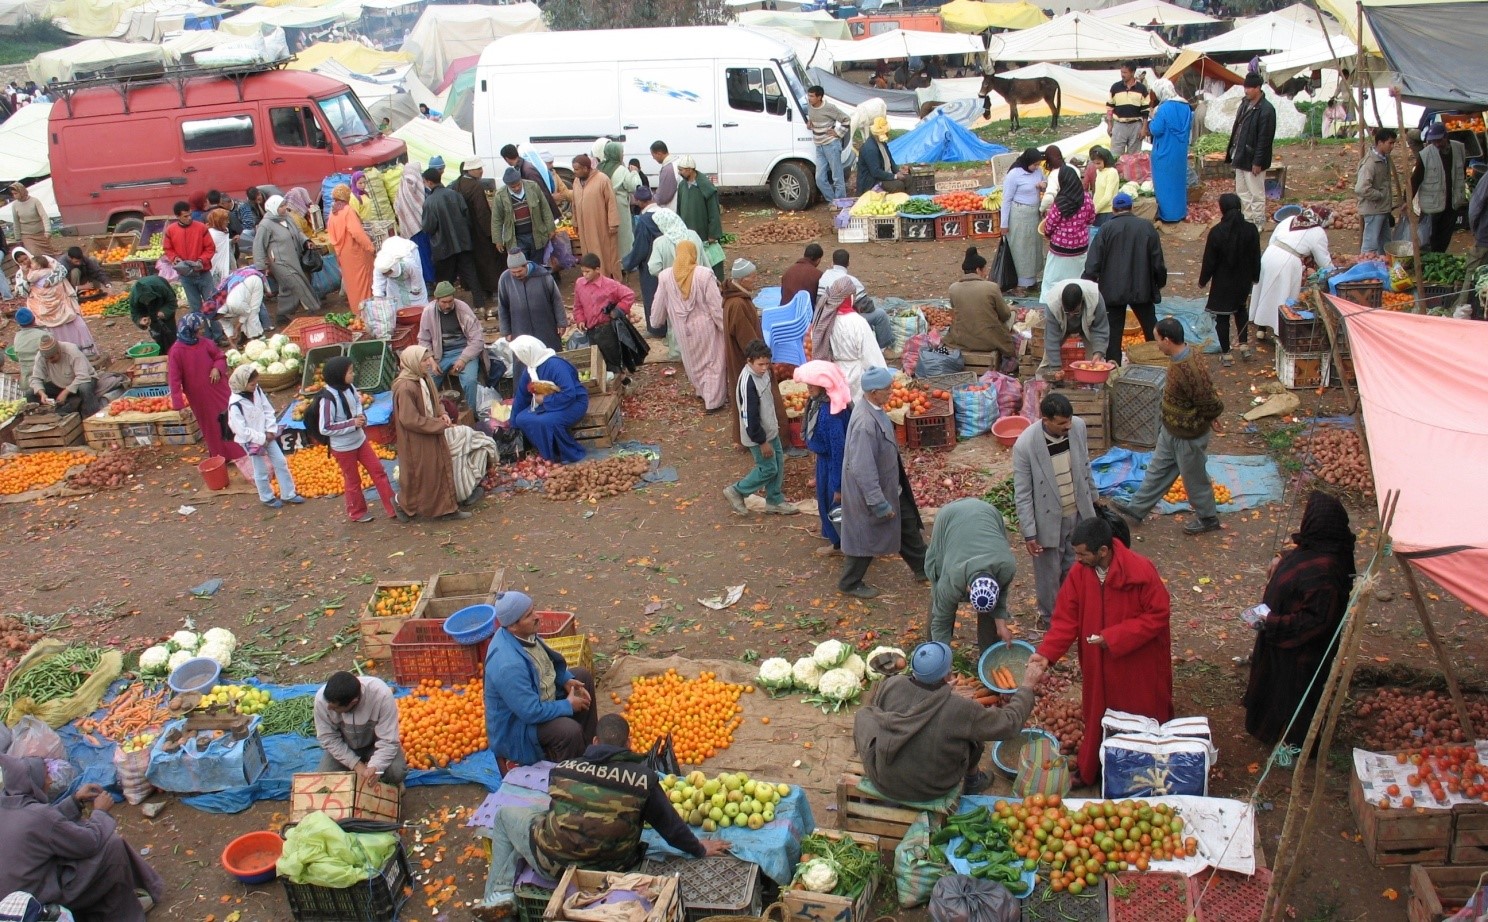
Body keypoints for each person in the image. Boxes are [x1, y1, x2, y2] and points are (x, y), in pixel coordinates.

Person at [476, 716, 729, 921]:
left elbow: (557, 809)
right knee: (540, 818)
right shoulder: (643, 779)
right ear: (628, 743)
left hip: (553, 863)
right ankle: (500, 897)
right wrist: (698, 848)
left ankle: (498, 895)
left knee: (506, 818)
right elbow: (671, 828)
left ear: (595, 741)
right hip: (612, 871)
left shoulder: (563, 770)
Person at [1028, 517, 1173, 786]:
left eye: (1083, 554)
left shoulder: (1141, 571)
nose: (1077, 559)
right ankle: (1092, 769)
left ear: (1103, 551)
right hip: (1097, 661)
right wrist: (1046, 653)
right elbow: (1065, 619)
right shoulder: (1080, 574)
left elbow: (1158, 615)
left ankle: (1146, 773)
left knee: (1139, 713)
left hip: (1137, 663)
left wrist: (1114, 637)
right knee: (1098, 712)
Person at [853, 641, 1043, 802]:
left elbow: (905, 704)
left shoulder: (892, 684)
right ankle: (973, 780)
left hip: (883, 779)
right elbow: (1010, 724)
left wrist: (942, 693)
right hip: (930, 788)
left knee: (869, 716)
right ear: (947, 675)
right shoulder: (961, 709)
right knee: (972, 737)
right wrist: (1027, 686)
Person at [1242, 491, 1356, 747]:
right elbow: (1300, 552)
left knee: (1292, 697)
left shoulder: (1325, 574)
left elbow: (1314, 622)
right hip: (1280, 643)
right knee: (1272, 687)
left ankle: (1293, 744)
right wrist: (1281, 558)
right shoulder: (1318, 548)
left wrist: (1271, 621)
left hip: (1301, 654)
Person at [0, 753, 164, 922]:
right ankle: (120, 914)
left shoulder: (6, 806)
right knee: (112, 847)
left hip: (11, 904)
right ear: (32, 783)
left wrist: (75, 800)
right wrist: (100, 812)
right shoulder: (38, 816)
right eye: (46, 775)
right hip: (38, 902)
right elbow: (88, 842)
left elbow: (47, 824)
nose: (50, 781)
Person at [1109, 318, 1225, 536]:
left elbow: (1208, 399)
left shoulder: (1189, 367)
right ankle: (1137, 508)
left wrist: (1212, 416)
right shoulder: (1177, 356)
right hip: (1171, 429)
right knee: (1157, 470)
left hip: (1188, 434)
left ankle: (1208, 517)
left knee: (1194, 478)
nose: (1157, 345)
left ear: (1168, 340)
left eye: (1158, 340)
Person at [1013, 393, 1099, 634]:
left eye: (1069, 420)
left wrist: (1093, 498)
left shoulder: (1078, 428)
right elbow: (1022, 493)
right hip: (1048, 519)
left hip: (1078, 512)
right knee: (1048, 573)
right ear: (1045, 419)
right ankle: (1050, 617)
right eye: (1061, 423)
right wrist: (1030, 533)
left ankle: (1072, 609)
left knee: (1075, 567)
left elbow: (1085, 465)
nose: (1067, 426)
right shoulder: (1026, 445)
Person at [839, 365, 927, 599]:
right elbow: (863, 468)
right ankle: (850, 582)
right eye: (887, 389)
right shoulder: (865, 424)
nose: (892, 392)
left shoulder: (874, 409)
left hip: (890, 486)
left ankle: (924, 568)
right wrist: (878, 502)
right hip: (871, 492)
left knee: (906, 525)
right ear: (874, 392)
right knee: (865, 539)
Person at [483, 591, 598, 765]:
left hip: (538, 696)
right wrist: (567, 705)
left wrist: (565, 679)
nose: (537, 616)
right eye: (529, 615)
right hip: (518, 727)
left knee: (582, 678)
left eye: (533, 609)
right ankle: (570, 772)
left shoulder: (524, 633)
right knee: (569, 731)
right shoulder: (508, 666)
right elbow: (531, 712)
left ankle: (588, 751)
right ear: (513, 625)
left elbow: (546, 664)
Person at [925, 498, 1019, 651]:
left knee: (989, 611)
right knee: (939, 593)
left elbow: (1000, 594)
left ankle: (988, 650)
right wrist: (944, 663)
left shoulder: (1006, 566)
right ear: (968, 588)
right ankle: (932, 650)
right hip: (950, 516)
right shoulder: (952, 579)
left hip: (987, 512)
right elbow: (941, 621)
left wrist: (1001, 626)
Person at [1082, 192, 1167, 361]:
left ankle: (1114, 368)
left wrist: (1088, 282)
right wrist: (1159, 283)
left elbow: (1093, 264)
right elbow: (1158, 261)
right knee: (1151, 328)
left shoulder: (1106, 229)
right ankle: (1157, 362)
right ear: (1132, 208)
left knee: (1113, 334)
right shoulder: (1147, 227)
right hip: (1142, 289)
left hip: (1112, 291)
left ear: (1113, 210)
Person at [312, 356, 394, 522]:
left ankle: (393, 507)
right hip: (343, 448)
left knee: (378, 471)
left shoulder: (349, 388)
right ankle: (357, 512)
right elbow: (325, 427)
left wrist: (360, 415)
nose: (353, 374)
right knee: (353, 480)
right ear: (339, 375)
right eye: (350, 372)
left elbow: (356, 403)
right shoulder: (328, 399)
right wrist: (352, 423)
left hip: (360, 441)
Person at [723, 339, 797, 517]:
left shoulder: (763, 374)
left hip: (771, 431)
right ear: (749, 361)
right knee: (768, 468)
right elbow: (750, 416)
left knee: (777, 464)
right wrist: (761, 441)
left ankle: (774, 500)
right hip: (758, 436)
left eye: (767, 363)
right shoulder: (747, 382)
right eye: (760, 364)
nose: (764, 368)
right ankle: (737, 491)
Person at [391, 346, 465, 520]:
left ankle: (445, 508)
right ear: (413, 362)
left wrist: (442, 413)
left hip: (430, 431)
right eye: (424, 360)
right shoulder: (406, 387)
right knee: (424, 474)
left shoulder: (423, 379)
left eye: (428, 359)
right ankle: (407, 505)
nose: (428, 363)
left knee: (438, 469)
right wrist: (437, 424)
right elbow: (409, 419)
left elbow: (434, 399)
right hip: (417, 438)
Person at [168, 314, 247, 476]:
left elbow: (220, 357)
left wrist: (217, 368)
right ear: (189, 331)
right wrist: (179, 406)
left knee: (230, 419)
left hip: (219, 390)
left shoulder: (206, 343)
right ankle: (221, 456)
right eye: (199, 330)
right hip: (199, 397)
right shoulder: (176, 352)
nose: (202, 332)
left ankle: (240, 451)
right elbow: (174, 380)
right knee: (211, 426)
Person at [651, 241, 727, 412]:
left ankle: (702, 391)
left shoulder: (665, 277)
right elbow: (715, 306)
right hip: (706, 329)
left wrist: (656, 322)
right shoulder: (704, 275)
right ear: (694, 254)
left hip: (682, 329)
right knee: (713, 362)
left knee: (693, 363)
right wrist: (725, 327)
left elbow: (658, 306)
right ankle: (713, 402)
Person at [722, 259, 782, 448]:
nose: (755, 280)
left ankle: (744, 439)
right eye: (752, 277)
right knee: (755, 401)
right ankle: (759, 440)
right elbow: (747, 339)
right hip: (746, 361)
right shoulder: (738, 304)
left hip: (745, 360)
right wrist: (762, 361)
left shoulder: (736, 300)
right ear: (742, 279)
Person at [794, 360, 852, 556]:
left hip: (832, 464)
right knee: (826, 501)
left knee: (834, 503)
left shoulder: (830, 414)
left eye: (812, 384)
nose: (808, 388)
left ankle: (842, 545)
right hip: (824, 461)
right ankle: (839, 542)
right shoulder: (819, 403)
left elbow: (839, 451)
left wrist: (838, 486)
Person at [1249, 207, 1334, 338]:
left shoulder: (1289, 219)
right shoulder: (1318, 232)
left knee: (1265, 289)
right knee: (1283, 295)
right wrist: (1334, 272)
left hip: (1270, 253)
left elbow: (1272, 239)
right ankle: (1279, 330)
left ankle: (1261, 327)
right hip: (1288, 261)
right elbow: (1323, 260)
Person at [1199, 192, 1262, 365]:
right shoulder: (1251, 230)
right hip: (1243, 281)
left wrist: (1203, 280)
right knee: (1241, 310)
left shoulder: (1216, 232)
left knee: (1222, 317)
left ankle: (1226, 353)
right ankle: (1244, 346)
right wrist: (1255, 277)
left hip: (1222, 282)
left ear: (1222, 209)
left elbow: (1209, 261)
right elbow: (1256, 256)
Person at [227, 365, 301, 508]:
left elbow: (267, 410)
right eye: (252, 384)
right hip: (251, 441)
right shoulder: (235, 404)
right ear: (243, 383)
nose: (255, 386)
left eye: (256, 383)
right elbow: (241, 430)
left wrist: (270, 429)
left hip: (267, 434)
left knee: (281, 462)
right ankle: (266, 497)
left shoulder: (257, 390)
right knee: (260, 470)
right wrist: (261, 437)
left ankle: (288, 494)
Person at [509, 334, 589, 465]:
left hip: (574, 403)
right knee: (521, 418)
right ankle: (545, 451)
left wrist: (545, 401)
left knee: (548, 421)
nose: (517, 359)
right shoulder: (530, 370)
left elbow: (569, 394)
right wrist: (512, 424)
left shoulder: (556, 366)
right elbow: (521, 397)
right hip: (550, 404)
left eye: (518, 355)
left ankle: (564, 453)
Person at [314, 672, 406, 784]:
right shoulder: (322, 700)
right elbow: (328, 738)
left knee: (396, 771)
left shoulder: (381, 695)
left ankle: (392, 788)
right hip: (345, 745)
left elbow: (388, 740)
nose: (329, 708)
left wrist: (375, 767)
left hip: (374, 744)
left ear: (353, 702)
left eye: (334, 708)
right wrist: (355, 764)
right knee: (325, 779)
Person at [812, 277, 885, 400]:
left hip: (834, 375)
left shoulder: (824, 320)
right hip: (855, 375)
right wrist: (882, 377)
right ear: (850, 297)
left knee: (839, 407)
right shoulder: (858, 322)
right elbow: (870, 354)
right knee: (856, 408)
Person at [418, 281, 485, 412]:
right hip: (440, 354)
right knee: (427, 380)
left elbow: (477, 339)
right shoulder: (428, 312)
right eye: (444, 302)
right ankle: (431, 412)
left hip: (464, 351)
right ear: (436, 300)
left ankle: (473, 414)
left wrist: (463, 359)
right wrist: (430, 359)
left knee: (470, 380)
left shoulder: (463, 309)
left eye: (450, 301)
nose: (448, 305)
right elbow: (423, 339)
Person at [573, 251, 641, 381]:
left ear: (597, 269)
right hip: (591, 329)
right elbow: (578, 305)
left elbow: (629, 295)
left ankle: (622, 381)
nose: (585, 275)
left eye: (588, 272)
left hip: (607, 328)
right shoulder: (580, 284)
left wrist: (618, 310)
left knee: (614, 358)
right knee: (598, 359)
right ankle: (606, 383)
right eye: (583, 272)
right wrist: (580, 319)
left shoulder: (610, 285)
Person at [421, 168, 483, 308]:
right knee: (471, 275)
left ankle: (446, 307)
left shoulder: (429, 202)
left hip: (443, 247)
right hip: (463, 243)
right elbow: (467, 218)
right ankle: (480, 305)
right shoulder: (455, 195)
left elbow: (428, 227)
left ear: (429, 182)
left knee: (445, 281)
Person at [254, 194, 319, 320]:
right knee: (298, 283)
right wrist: (261, 266)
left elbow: (298, 232)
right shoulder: (265, 225)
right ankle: (314, 308)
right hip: (280, 262)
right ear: (273, 208)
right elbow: (258, 246)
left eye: (284, 205)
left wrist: (306, 241)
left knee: (287, 288)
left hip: (294, 258)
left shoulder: (287, 218)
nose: (285, 208)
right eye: (281, 206)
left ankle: (282, 314)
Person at [1039, 167, 1097, 308]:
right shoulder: (1087, 198)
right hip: (1080, 247)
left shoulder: (1060, 202)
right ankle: (1078, 304)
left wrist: (1048, 234)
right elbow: (1091, 219)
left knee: (1053, 279)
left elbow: (1050, 224)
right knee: (1078, 279)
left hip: (1060, 248)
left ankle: (1053, 306)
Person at [945, 246, 1014, 363]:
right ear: (978, 270)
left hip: (963, 340)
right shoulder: (991, 287)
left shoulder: (953, 288)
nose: (986, 273)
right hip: (990, 341)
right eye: (985, 269)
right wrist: (1011, 309)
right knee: (1012, 314)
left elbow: (956, 312)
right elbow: (1005, 315)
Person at [1225, 73, 1277, 227]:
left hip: (1253, 158)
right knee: (1242, 192)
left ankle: (1259, 223)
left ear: (1258, 88)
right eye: (1245, 87)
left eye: (1249, 88)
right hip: (1240, 155)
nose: (1246, 90)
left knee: (1256, 194)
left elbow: (1265, 139)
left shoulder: (1266, 110)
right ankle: (1248, 221)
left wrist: (1258, 161)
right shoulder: (1244, 104)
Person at [21, 258, 97, 360]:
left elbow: (29, 279)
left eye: (32, 262)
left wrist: (25, 273)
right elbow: (23, 290)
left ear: (38, 265)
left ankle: (70, 352)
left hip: (58, 304)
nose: (28, 263)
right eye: (20, 260)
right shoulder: (51, 270)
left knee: (72, 325)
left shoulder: (39, 272)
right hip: (52, 306)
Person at [453, 159, 503, 311]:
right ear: (470, 170)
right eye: (478, 168)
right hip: (479, 232)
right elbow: (482, 212)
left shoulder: (458, 183)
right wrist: (492, 234)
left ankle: (483, 290)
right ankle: (493, 290)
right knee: (489, 260)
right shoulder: (475, 187)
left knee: (475, 263)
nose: (481, 171)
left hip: (465, 231)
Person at [1413, 122, 1468, 254]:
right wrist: (1405, 200)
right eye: (1433, 141)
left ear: (1446, 136)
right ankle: (1426, 260)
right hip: (1431, 204)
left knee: (1444, 237)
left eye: (1439, 140)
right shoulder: (1425, 154)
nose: (1437, 144)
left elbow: (1462, 172)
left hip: (1452, 203)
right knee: (1427, 237)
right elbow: (1415, 179)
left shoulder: (1459, 148)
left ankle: (1439, 257)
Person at [1039, 280, 1109, 378]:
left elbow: (1100, 329)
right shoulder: (1053, 303)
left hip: (1089, 326)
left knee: (1097, 363)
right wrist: (1055, 368)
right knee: (1047, 363)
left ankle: (1096, 386)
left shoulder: (1095, 298)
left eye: (1075, 312)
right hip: (1062, 325)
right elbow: (1052, 338)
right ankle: (1043, 386)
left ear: (1081, 302)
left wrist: (1098, 352)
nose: (1071, 316)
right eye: (1068, 313)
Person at [497, 251, 566, 350]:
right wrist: (506, 331)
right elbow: (502, 306)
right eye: (513, 272)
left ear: (525, 266)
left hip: (545, 326)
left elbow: (556, 299)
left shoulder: (543, 275)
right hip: (519, 328)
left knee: (549, 355)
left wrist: (561, 322)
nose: (516, 275)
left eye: (519, 271)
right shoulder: (505, 279)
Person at [1000, 148, 1047, 292]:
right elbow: (1006, 200)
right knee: (1020, 248)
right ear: (1027, 162)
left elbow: (1045, 181)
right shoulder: (1014, 175)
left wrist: (1043, 185)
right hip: (1019, 215)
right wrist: (1004, 223)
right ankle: (1019, 283)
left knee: (1033, 248)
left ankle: (1031, 279)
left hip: (1034, 215)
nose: (1036, 167)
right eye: (1034, 164)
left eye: (1038, 164)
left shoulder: (1038, 172)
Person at [1147, 80, 1193, 223]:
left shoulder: (1163, 108)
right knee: (1178, 182)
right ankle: (1180, 212)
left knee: (1164, 183)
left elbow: (1156, 129)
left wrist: (1151, 117)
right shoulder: (1186, 106)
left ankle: (1168, 215)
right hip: (1179, 151)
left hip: (1164, 151)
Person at [570, 154, 622, 280]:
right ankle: (592, 279)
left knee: (605, 255)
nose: (574, 172)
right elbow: (574, 204)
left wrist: (613, 223)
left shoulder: (602, 179)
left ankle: (608, 282)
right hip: (584, 228)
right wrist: (575, 222)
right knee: (588, 255)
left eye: (577, 169)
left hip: (601, 226)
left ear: (586, 168)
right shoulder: (576, 181)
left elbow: (611, 202)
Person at [490, 167, 556, 265]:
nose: (516, 188)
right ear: (507, 185)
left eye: (518, 185)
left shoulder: (533, 187)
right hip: (516, 238)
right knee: (521, 265)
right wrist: (498, 240)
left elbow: (545, 209)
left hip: (536, 234)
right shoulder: (500, 195)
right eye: (513, 187)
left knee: (537, 264)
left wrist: (551, 228)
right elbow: (497, 219)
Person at [623, 188, 665, 336]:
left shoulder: (644, 222)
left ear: (639, 202)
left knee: (652, 295)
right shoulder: (665, 214)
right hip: (669, 261)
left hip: (650, 264)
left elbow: (640, 248)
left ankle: (656, 328)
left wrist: (627, 263)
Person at [326, 184, 375, 310]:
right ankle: (366, 313)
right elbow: (357, 233)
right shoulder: (347, 211)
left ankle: (356, 311)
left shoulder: (333, 213)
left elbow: (331, 235)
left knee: (352, 284)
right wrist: (370, 247)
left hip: (342, 254)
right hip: (356, 254)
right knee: (362, 283)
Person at [164, 200, 218, 313]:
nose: (189, 218)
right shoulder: (171, 230)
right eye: (185, 216)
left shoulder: (201, 228)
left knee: (211, 306)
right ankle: (199, 329)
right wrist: (174, 258)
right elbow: (168, 248)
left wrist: (201, 260)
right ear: (177, 216)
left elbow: (210, 248)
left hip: (203, 273)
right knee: (195, 308)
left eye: (190, 214)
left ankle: (216, 331)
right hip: (186, 276)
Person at [674, 156, 724, 278]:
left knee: (708, 264)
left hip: (703, 231)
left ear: (690, 170)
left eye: (681, 170)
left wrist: (713, 233)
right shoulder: (682, 186)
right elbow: (680, 208)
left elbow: (714, 212)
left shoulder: (706, 186)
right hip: (688, 233)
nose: (679, 172)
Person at [28, 335, 99, 417]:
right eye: (47, 359)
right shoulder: (41, 357)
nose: (50, 361)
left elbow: (83, 376)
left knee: (84, 388)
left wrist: (65, 392)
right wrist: (42, 393)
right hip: (59, 384)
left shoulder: (72, 351)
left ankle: (92, 417)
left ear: (58, 351)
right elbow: (36, 378)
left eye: (52, 357)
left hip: (84, 381)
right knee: (30, 393)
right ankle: (43, 419)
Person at [594, 140, 641, 258]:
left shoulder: (599, 168)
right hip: (619, 205)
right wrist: (635, 173)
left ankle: (609, 261)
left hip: (602, 205)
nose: (623, 155)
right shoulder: (621, 169)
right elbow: (634, 186)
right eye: (621, 153)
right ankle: (623, 262)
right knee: (623, 236)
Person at [1356, 127, 1398, 255]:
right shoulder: (1370, 163)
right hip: (1374, 209)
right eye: (1390, 143)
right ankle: (1366, 270)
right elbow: (1361, 188)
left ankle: (1382, 268)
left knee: (1385, 243)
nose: (1392, 146)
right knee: (1370, 245)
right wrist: (1379, 195)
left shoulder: (1383, 159)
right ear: (1380, 143)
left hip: (1382, 208)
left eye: (1393, 143)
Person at [1454, 162, 1488, 315]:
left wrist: (1475, 229)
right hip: (1485, 236)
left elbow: (1475, 208)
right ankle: (1462, 309)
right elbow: (1475, 208)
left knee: (1473, 272)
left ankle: (1462, 309)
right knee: (1475, 273)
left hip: (1484, 235)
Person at [807, 85, 850, 203]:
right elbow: (812, 117)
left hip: (831, 145)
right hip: (819, 146)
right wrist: (810, 123)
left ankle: (841, 202)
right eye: (808, 95)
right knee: (819, 179)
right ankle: (833, 201)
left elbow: (846, 120)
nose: (809, 98)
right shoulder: (810, 106)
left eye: (812, 96)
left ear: (819, 97)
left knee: (837, 177)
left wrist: (837, 133)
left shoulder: (829, 108)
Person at [396, 163, 435, 283]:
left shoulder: (401, 187)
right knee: (426, 255)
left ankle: (424, 280)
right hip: (422, 228)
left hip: (410, 229)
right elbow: (424, 205)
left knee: (417, 257)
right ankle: (430, 280)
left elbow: (397, 207)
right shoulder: (417, 184)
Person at [500, 143, 561, 217]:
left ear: (506, 158)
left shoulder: (527, 170)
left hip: (541, 212)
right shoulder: (520, 167)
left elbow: (541, 192)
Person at [1105, 63, 1150, 159]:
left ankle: (1130, 174)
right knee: (1115, 155)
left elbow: (1145, 110)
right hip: (1119, 125)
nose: (1122, 74)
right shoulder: (1115, 88)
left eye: (1125, 72)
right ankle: (1116, 173)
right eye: (1121, 72)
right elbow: (1110, 107)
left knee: (1134, 157)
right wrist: (1109, 125)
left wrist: (1144, 128)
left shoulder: (1141, 89)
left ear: (1132, 73)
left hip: (1135, 126)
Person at [372, 235, 427, 309]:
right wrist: (378, 299)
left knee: (417, 294)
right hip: (391, 251)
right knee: (394, 292)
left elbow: (416, 275)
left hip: (409, 251)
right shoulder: (380, 265)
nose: (384, 275)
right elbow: (378, 284)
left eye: (386, 273)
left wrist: (415, 289)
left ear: (391, 268)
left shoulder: (408, 262)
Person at [129, 273, 178, 352]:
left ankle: (174, 350)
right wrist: (140, 320)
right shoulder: (134, 297)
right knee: (156, 330)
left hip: (163, 301)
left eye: (149, 300)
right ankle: (162, 350)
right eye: (146, 302)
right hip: (146, 310)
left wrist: (164, 312)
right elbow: (134, 312)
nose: (148, 303)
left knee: (170, 329)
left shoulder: (160, 287)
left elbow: (172, 302)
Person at [857, 116, 907, 194]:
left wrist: (897, 171)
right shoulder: (870, 148)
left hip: (885, 175)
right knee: (898, 185)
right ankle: (899, 203)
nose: (888, 133)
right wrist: (895, 176)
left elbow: (890, 161)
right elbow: (876, 172)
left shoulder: (882, 143)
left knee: (908, 179)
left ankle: (912, 201)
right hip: (873, 182)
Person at [8, 182, 53, 256]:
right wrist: (18, 239)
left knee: (48, 255)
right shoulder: (15, 205)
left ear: (21, 192)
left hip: (40, 234)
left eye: (16, 193)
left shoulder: (34, 201)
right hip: (27, 235)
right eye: (13, 194)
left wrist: (47, 231)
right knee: (34, 254)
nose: (14, 196)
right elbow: (16, 223)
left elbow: (44, 216)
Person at [1087, 147, 1120, 229]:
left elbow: (1108, 197)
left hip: (1107, 211)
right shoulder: (1099, 171)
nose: (1096, 166)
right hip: (1098, 210)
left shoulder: (1112, 172)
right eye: (1094, 163)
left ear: (1105, 160)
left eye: (1098, 163)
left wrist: (1095, 210)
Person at [9, 309, 45, 379]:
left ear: (18, 323)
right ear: (34, 319)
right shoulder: (44, 335)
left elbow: (17, 356)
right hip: (44, 375)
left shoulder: (17, 337)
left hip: (26, 377)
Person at [204, 210, 232, 284]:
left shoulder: (225, 231)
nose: (228, 222)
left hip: (228, 264)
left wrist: (232, 242)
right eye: (225, 220)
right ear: (218, 221)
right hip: (215, 266)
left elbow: (224, 245)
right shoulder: (211, 234)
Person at [650, 140, 679, 208]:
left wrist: (653, 198)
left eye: (653, 155)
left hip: (672, 208)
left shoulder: (668, 169)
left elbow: (663, 197)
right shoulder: (676, 161)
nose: (653, 158)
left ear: (659, 154)